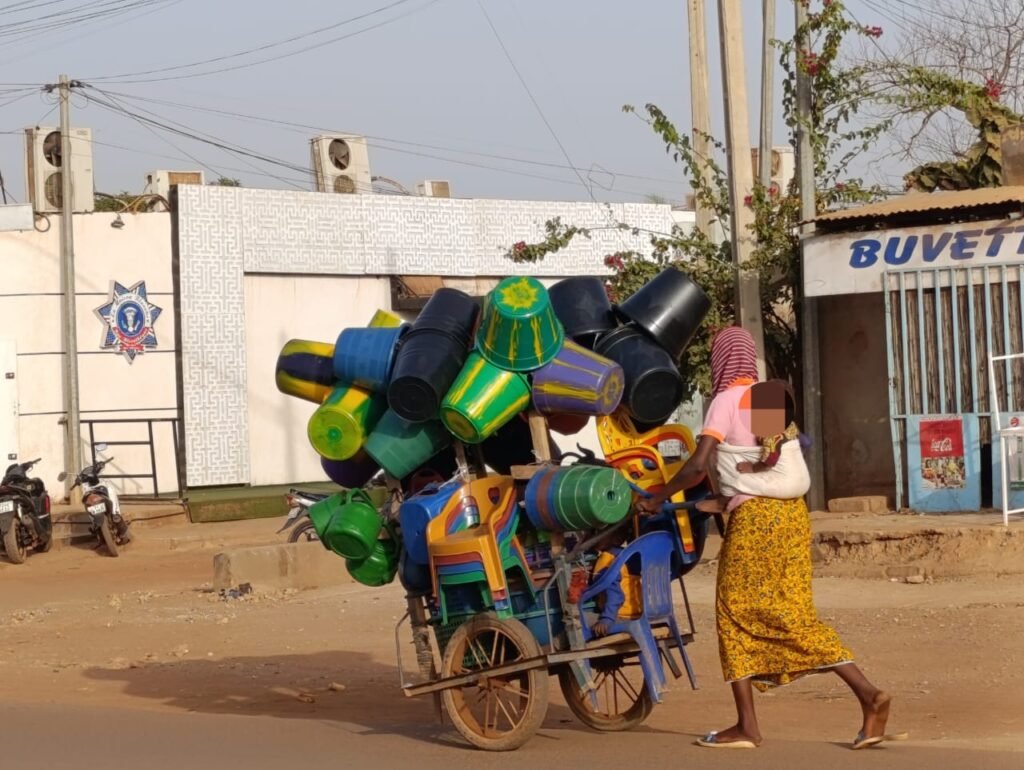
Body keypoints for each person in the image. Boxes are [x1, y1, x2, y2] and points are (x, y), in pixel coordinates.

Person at [637, 326, 901, 751]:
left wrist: (655, 499)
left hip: (757, 522)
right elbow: (767, 466)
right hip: (791, 519)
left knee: (734, 612)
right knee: (789, 609)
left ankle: (751, 725)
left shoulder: (724, 400)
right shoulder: (764, 398)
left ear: (721, 361)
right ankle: (866, 697)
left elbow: (698, 465)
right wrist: (722, 503)